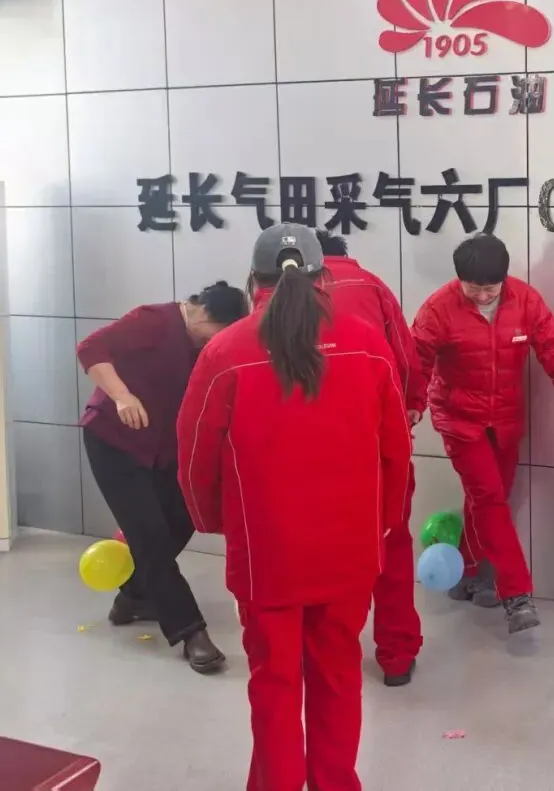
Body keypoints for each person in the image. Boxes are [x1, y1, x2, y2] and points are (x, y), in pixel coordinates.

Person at [177, 224, 412, 791]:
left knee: (274, 685)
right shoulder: (367, 343)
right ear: (324, 276)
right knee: (339, 677)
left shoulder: (225, 351)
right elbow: (396, 450)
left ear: (253, 281)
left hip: (267, 552)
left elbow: (194, 458)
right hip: (350, 548)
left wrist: (216, 522)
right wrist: (381, 524)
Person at [409, 232, 554, 634]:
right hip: (460, 420)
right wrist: (412, 404)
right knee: (489, 498)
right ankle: (517, 594)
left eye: (491, 288)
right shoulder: (438, 308)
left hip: (505, 420)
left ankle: (470, 569)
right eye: (474, 289)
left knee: (489, 498)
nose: (484, 296)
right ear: (459, 280)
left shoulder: (524, 300)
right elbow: (416, 361)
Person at [77, 282, 248, 673]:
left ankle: (134, 596)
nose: (215, 344)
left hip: (163, 450)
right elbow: (91, 348)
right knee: (150, 537)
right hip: (115, 442)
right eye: (217, 334)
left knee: (185, 516)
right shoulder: (153, 320)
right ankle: (191, 633)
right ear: (204, 313)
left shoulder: (205, 344)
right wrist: (122, 395)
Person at [316, 230, 422, 687]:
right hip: (376, 439)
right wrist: (412, 404)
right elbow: (406, 357)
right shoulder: (373, 286)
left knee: (322, 554)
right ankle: (396, 655)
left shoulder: (279, 296)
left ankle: (328, 652)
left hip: (308, 449)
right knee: (391, 541)